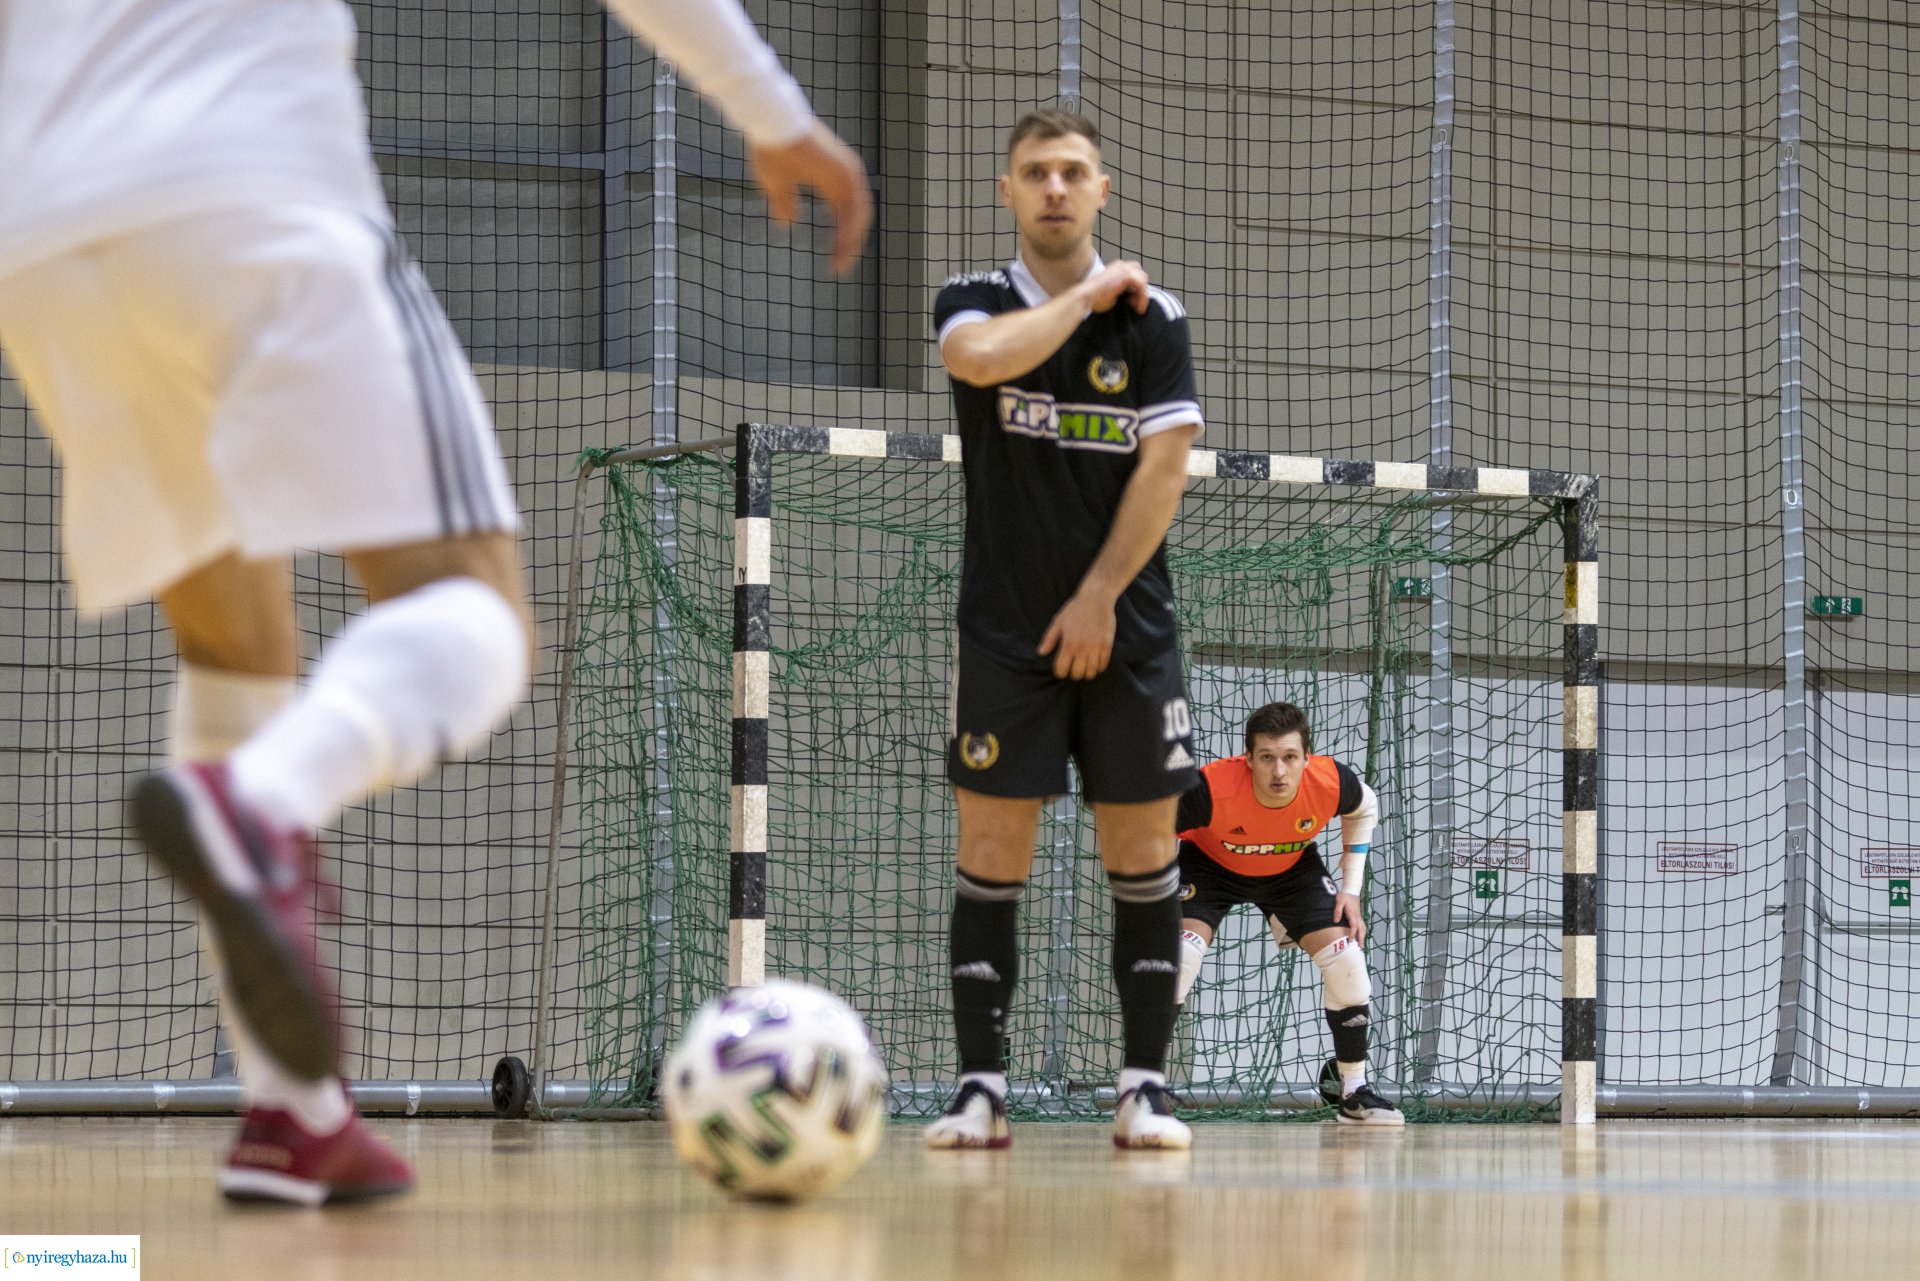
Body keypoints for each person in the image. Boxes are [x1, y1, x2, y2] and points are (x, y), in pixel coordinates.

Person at [0, 0, 869, 1205]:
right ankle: (256, 806)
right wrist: (771, 110)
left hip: (42, 237)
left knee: (231, 649)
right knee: (476, 612)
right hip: (254, 185)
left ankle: (293, 1119)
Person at [924, 109, 1204, 1151]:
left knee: (1142, 852)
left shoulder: (1154, 322)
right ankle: (980, 1091)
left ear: (1103, 188)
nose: (1054, 187)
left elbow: (1165, 469)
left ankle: (1144, 1088)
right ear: (1008, 190)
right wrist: (1085, 294)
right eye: (1035, 172)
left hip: (1127, 634)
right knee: (991, 848)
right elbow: (983, 364)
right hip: (1003, 635)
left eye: (1072, 172)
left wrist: (1096, 598)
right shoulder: (974, 300)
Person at [1172, 702, 1403, 1125]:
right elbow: (1155, 827)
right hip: (1209, 864)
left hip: (1290, 867)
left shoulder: (1331, 782)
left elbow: (1364, 809)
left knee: (1348, 957)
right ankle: (1146, 1087)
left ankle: (1353, 1091)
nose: (1279, 771)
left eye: (1290, 758)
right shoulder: (1209, 789)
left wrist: (1351, 890)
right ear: (1249, 760)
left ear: (1306, 759)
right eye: (1267, 758)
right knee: (1178, 957)